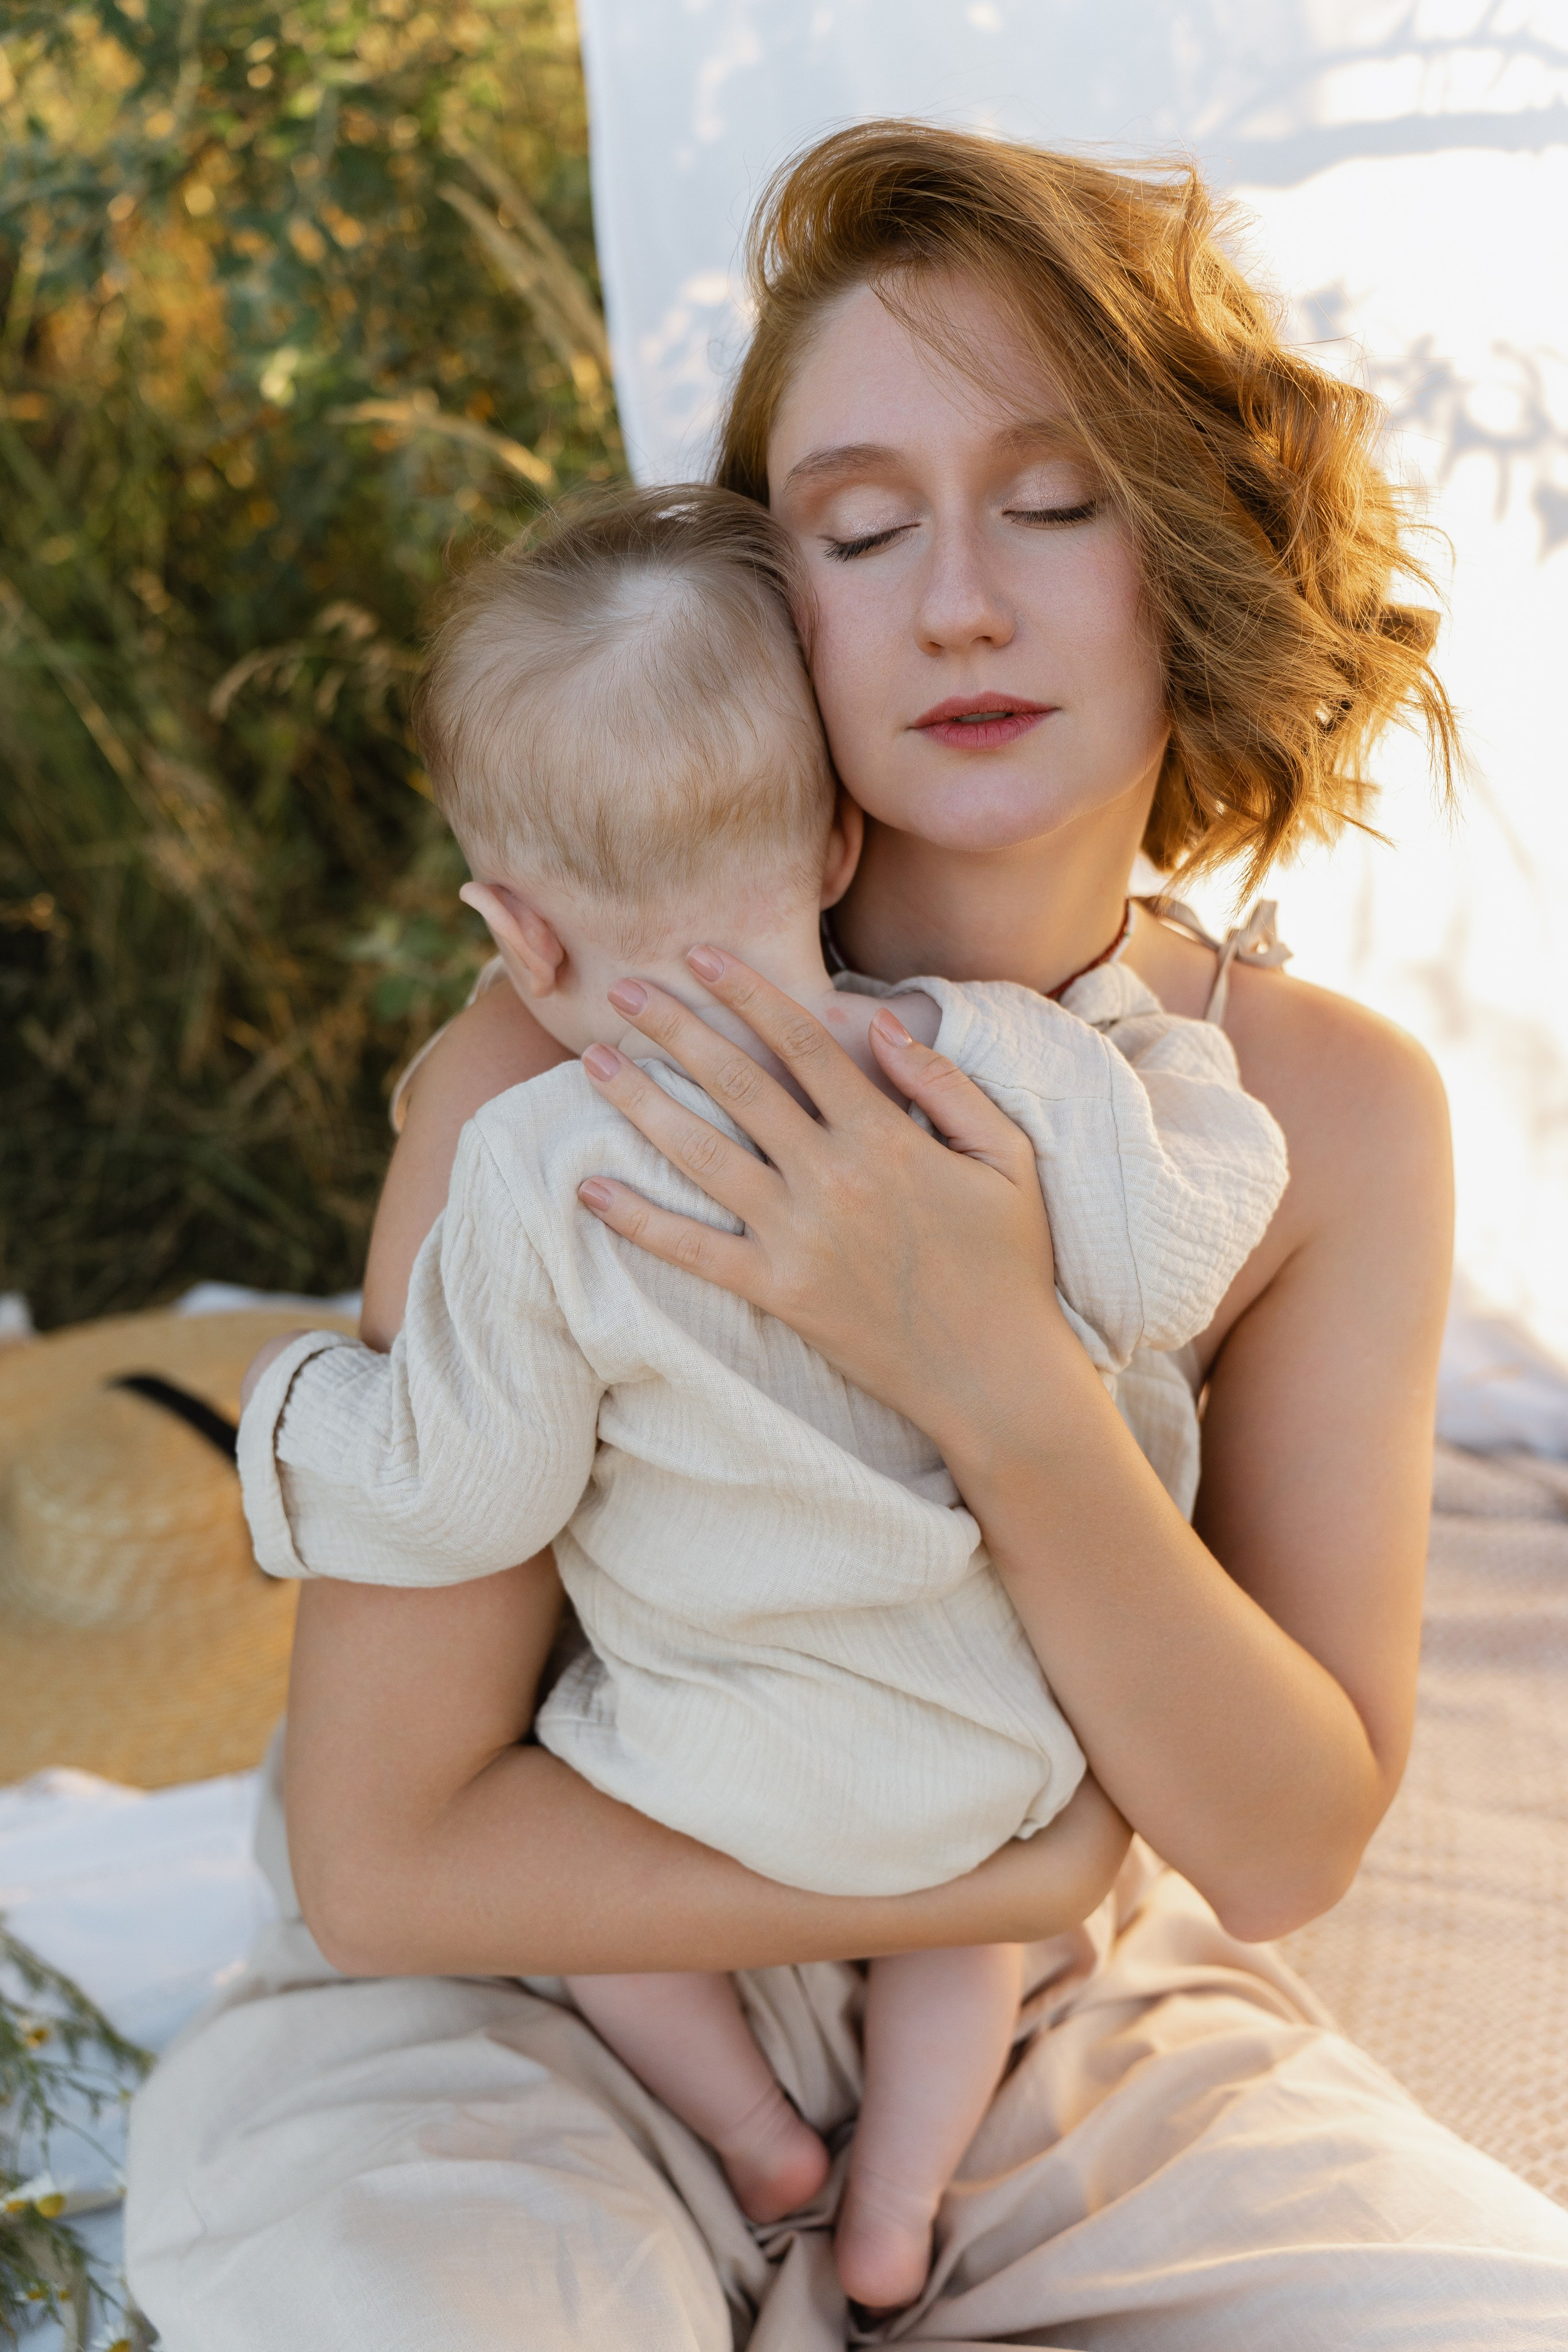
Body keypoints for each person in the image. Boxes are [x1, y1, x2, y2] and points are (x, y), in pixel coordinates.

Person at [126, 122, 1568, 2348]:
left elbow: (1282, 1841)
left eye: (1056, 502)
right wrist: (1036, 1851)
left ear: (1194, 551)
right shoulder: (567, 1068)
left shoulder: (1321, 1114)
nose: (958, 601)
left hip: (1026, 2021)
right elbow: (388, 1857)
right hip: (533, 1999)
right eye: (862, 528)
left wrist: (995, 1372)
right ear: (761, 608)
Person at [233, 482, 1285, 2310]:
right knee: (974, 1944)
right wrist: (1179, 1085)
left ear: (516, 932)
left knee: (588, 1901)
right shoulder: (987, 1066)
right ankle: (896, 2206)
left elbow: (469, 1489)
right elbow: (1166, 1260)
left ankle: (755, 2136)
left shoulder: (536, 1161)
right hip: (995, 1769)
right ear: (833, 845)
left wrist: (299, 1411)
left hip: (698, 1779)